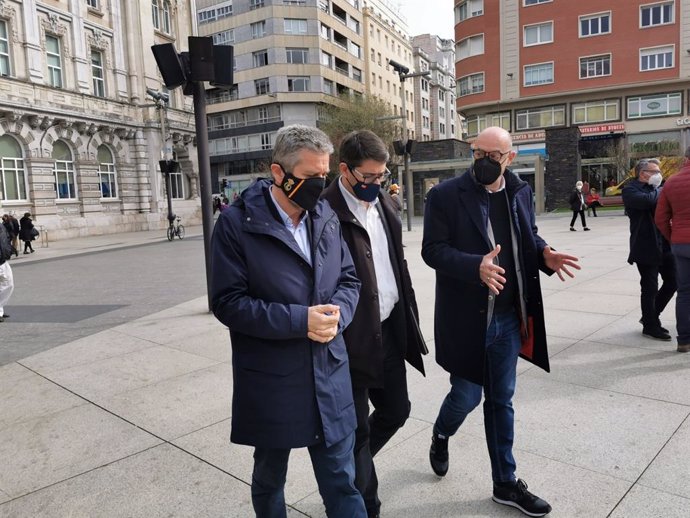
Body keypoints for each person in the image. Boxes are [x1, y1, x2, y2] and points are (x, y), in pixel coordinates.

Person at [209, 124, 366, 518]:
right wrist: (301, 321)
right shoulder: (236, 223)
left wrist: (340, 314)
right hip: (272, 377)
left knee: (342, 484)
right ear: (278, 173)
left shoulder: (324, 213)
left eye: (325, 175)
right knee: (269, 478)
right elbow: (228, 303)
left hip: (329, 372)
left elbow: (349, 278)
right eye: (311, 177)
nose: (320, 184)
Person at [422, 126, 580, 517]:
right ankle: (441, 433)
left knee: (500, 401)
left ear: (509, 157)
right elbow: (432, 251)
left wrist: (545, 254)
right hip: (466, 319)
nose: (484, 161)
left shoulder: (519, 191)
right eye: (479, 153)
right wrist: (473, 265)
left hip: (509, 318)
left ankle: (505, 483)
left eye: (494, 155)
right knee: (466, 396)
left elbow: (529, 236)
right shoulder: (444, 196)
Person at [322, 130, 426, 518]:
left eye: (381, 176)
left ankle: (349, 470)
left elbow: (395, 263)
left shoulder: (383, 200)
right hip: (349, 338)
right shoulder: (324, 209)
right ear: (344, 170)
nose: (376, 184)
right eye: (368, 178)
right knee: (358, 431)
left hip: (389, 328)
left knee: (396, 411)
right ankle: (367, 505)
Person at [622, 158, 676, 342]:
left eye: (659, 171)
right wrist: (661, 189)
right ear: (642, 173)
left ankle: (650, 316)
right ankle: (650, 326)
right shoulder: (631, 189)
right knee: (649, 287)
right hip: (646, 245)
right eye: (654, 171)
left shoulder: (657, 189)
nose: (658, 175)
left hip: (666, 243)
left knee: (673, 281)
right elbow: (646, 202)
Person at [655, 147, 690, 352]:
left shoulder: (672, 182)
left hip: (680, 244)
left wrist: (673, 238)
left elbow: (660, 218)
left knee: (684, 291)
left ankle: (684, 340)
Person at [0, 223, 14, 323]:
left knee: (9, 284)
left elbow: (6, 239)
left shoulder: (1, 225)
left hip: (2, 260)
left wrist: (9, 250)